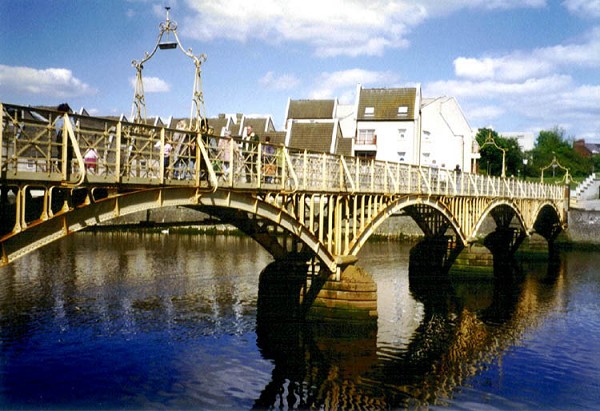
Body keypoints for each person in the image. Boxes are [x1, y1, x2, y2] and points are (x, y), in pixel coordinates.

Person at [55, 103, 74, 180]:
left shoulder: (58, 118)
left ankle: (62, 171)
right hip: (66, 138)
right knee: (67, 156)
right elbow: (73, 128)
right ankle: (66, 172)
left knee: (62, 156)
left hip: (60, 138)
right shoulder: (69, 118)